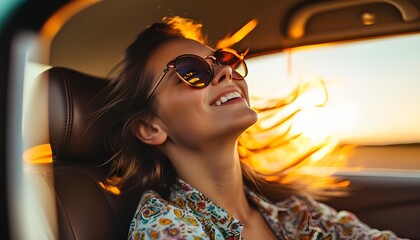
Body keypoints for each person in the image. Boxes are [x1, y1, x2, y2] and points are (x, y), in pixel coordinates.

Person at [95, 17, 403, 240]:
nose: (226, 71)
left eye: (223, 60)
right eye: (191, 72)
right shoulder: (165, 228)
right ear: (150, 127)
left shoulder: (300, 215)